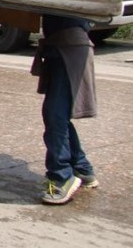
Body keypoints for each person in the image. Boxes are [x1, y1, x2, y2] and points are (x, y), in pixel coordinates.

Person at [32, 14, 98, 204]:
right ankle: (82, 168)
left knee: (55, 115)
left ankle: (61, 177)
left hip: (70, 47)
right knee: (56, 114)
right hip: (58, 48)